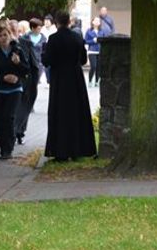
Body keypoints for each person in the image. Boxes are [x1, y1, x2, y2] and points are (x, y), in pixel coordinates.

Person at [41, 12, 97, 161]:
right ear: (69, 22)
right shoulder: (77, 38)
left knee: (59, 113)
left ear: (57, 22)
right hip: (75, 79)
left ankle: (60, 151)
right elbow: (84, 59)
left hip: (59, 80)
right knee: (77, 113)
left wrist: (44, 53)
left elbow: (47, 60)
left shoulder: (53, 39)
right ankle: (78, 150)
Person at [0, 21, 28, 160]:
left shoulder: (17, 51)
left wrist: (18, 65)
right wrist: (3, 78)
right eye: (1, 36)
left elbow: (26, 70)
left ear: (10, 36)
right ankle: (2, 146)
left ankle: (7, 150)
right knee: (0, 119)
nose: (4, 38)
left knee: (9, 118)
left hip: (14, 90)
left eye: (6, 35)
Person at [13, 19, 43, 145]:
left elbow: (34, 64)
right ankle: (14, 131)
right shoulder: (2, 43)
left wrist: (34, 83)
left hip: (26, 80)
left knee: (23, 106)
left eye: (16, 30)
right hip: (9, 82)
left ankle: (19, 132)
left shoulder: (26, 43)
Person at [85, 17, 103, 87]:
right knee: (93, 66)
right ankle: (90, 80)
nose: (97, 22)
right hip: (92, 51)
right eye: (95, 20)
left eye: (98, 21)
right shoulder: (89, 31)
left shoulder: (101, 31)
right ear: (92, 22)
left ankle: (96, 81)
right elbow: (85, 41)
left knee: (99, 67)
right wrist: (93, 41)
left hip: (99, 50)